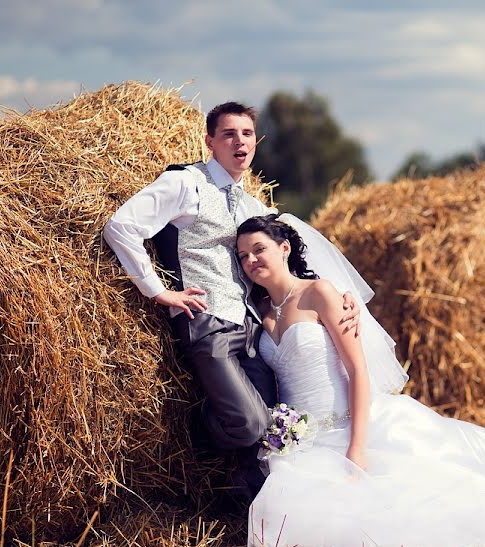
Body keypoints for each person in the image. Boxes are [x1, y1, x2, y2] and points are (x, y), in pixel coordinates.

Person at [235, 215, 485, 547]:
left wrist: (357, 447)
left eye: (259, 249)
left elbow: (358, 371)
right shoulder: (259, 310)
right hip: (303, 443)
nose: (251, 260)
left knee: (412, 514)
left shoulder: (320, 294)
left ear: (284, 248)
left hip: (350, 426)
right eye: (243, 256)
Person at [102, 102, 364, 499]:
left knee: (273, 424)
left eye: (245, 134)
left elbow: (286, 253)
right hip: (209, 323)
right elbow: (121, 226)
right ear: (210, 142)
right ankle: (190, 429)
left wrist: (342, 295)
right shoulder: (185, 183)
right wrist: (156, 290)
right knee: (250, 423)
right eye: (228, 134)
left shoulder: (250, 204)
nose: (238, 142)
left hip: (252, 328)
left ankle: (252, 502)